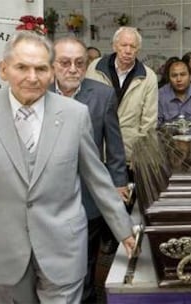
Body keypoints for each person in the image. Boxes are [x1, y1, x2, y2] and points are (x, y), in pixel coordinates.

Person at [0, 30, 135, 304]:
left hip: (64, 246)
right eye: (22, 67)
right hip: (3, 250)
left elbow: (97, 177)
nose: (32, 77)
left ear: (50, 72)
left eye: (41, 68)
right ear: (3, 69)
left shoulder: (74, 114)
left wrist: (124, 229)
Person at [51, 36, 129, 303]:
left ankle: (86, 297)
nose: (73, 69)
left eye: (79, 63)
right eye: (65, 62)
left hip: (88, 193)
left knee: (85, 261)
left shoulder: (103, 94)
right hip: (48, 197)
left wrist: (119, 183)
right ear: (52, 65)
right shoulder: (39, 91)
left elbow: (115, 145)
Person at [86, 26, 158, 252]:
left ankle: (118, 241)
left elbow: (149, 122)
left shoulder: (148, 76)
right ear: (114, 46)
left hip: (127, 150)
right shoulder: (94, 69)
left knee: (123, 199)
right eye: (123, 45)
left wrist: (140, 154)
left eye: (133, 46)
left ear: (138, 49)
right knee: (95, 198)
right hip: (95, 147)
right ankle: (102, 241)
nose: (128, 50)